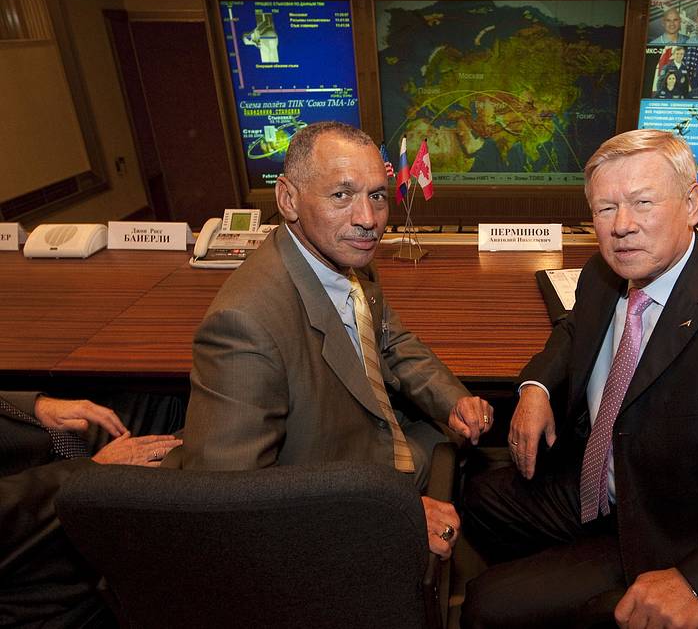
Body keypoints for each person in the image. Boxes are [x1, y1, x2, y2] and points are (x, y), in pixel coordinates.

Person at [462, 129, 698, 628]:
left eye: (642, 203)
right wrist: (535, 389)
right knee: (478, 496)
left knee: (486, 604)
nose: (621, 226)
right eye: (605, 209)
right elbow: (573, 329)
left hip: (680, 531)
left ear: (692, 204)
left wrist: (697, 580)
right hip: (600, 480)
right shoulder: (602, 275)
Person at [169, 121, 494, 559]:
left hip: (384, 451)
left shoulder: (345, 256)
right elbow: (227, 501)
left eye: (377, 196)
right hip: (338, 509)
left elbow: (390, 341)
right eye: (341, 195)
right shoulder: (242, 324)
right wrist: (389, 514)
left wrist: (451, 399)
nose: (368, 220)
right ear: (288, 199)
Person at [1, 392, 181, 626]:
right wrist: (91, 469)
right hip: (27, 525)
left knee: (166, 402)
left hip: (31, 440)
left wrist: (35, 405)